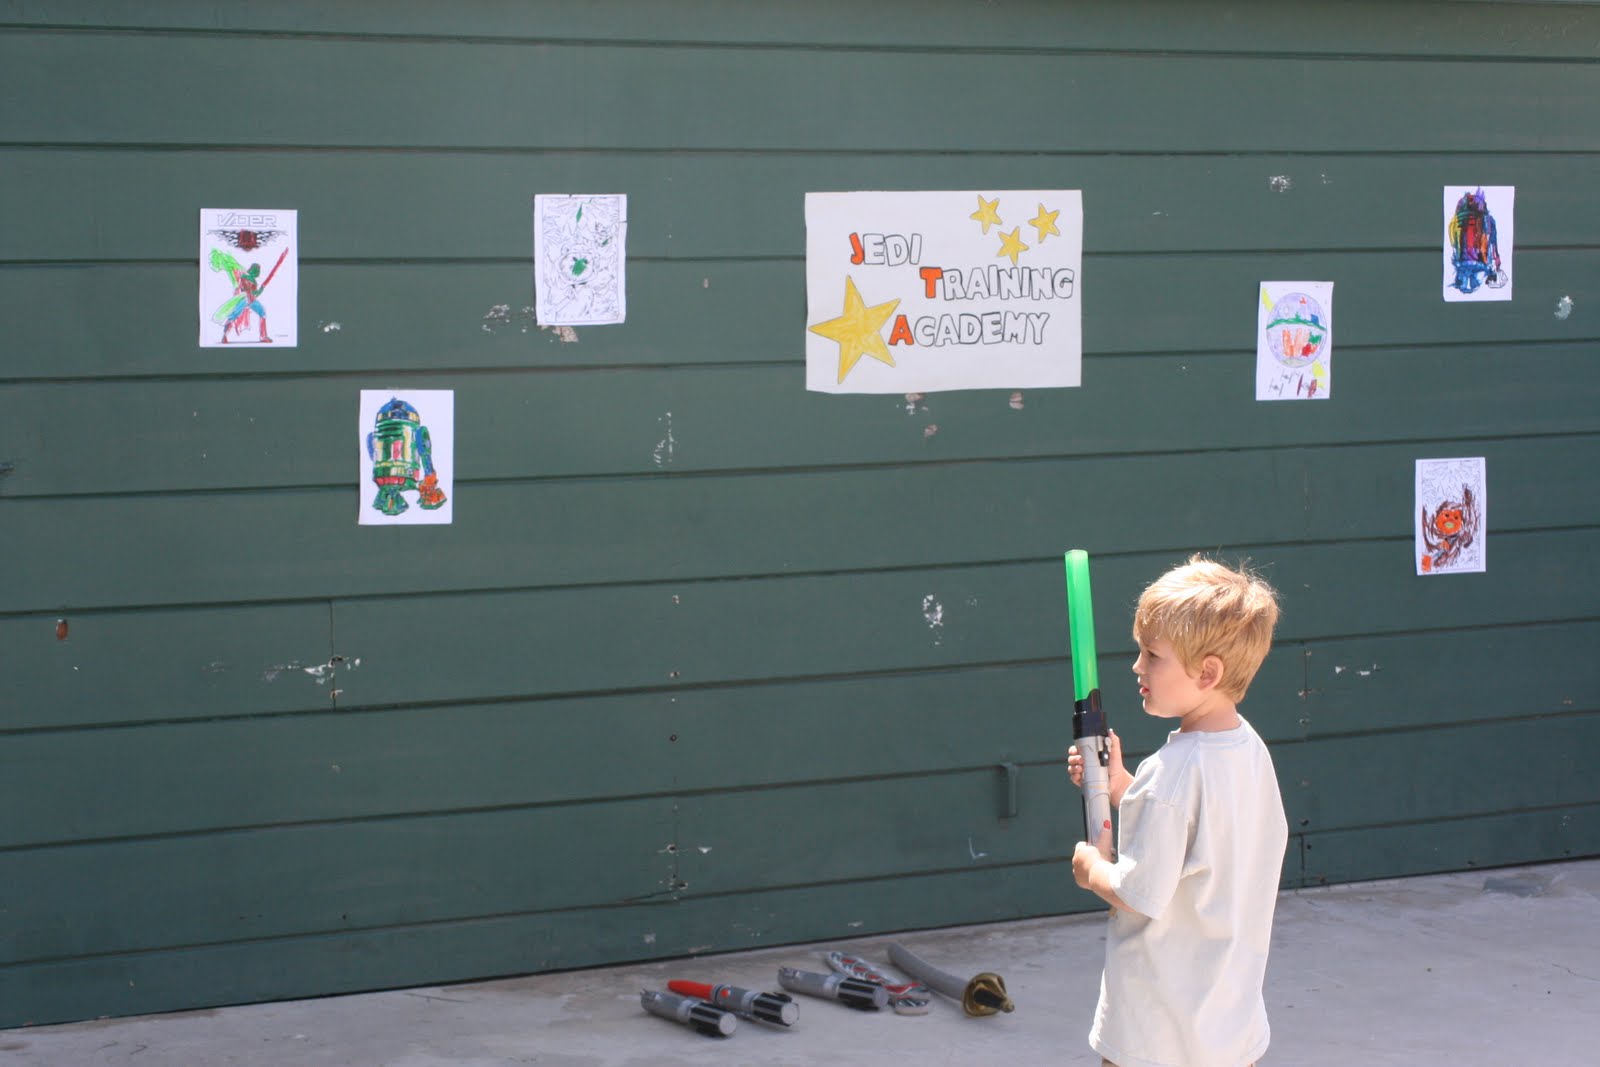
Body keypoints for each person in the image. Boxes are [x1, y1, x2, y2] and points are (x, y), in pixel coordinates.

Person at [1067, 555, 1287, 1067]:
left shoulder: (1174, 770)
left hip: (1157, 1036)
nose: (1137, 666)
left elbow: (1138, 894)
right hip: (1229, 1030)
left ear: (1207, 672)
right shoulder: (1247, 750)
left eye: (1151, 654)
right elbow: (1197, 835)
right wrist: (1123, 784)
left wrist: (1092, 868)